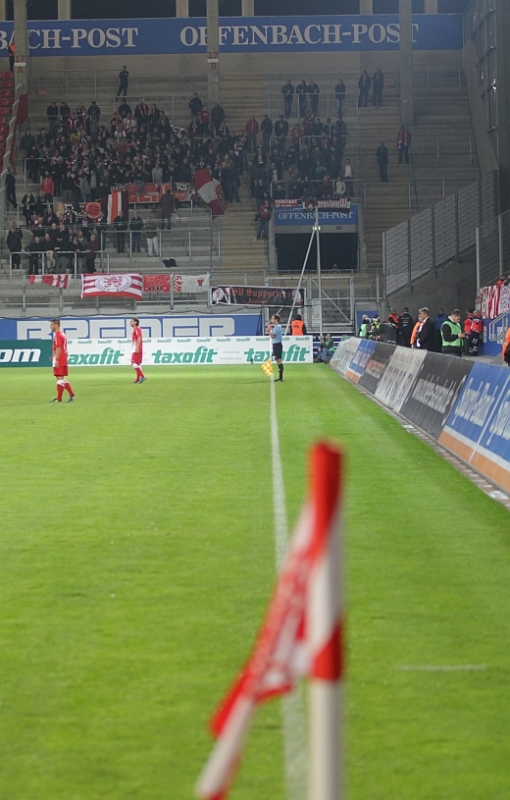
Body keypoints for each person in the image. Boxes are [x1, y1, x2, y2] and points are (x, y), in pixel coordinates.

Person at [49, 319, 75, 403]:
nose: (50, 327)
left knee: (60, 379)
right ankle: (71, 395)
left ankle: (59, 398)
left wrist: (56, 359)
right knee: (60, 378)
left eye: (51, 325)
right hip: (62, 358)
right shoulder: (62, 334)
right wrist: (54, 356)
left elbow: (59, 347)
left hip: (60, 359)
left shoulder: (58, 335)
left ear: (56, 325)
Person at [268, 314, 284, 382]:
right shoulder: (276, 327)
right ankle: (280, 377)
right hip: (276, 344)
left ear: (276, 319)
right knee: (277, 360)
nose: (271, 320)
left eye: (272, 318)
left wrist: (269, 331)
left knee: (278, 360)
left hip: (277, 345)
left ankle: (280, 377)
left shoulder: (277, 327)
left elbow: (272, 336)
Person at [130, 317, 146, 384]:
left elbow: (139, 337)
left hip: (137, 348)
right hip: (136, 347)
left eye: (131, 321)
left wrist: (137, 347)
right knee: (137, 364)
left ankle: (142, 376)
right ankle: (138, 378)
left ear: (135, 322)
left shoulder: (137, 328)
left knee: (133, 363)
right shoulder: (135, 329)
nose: (130, 322)